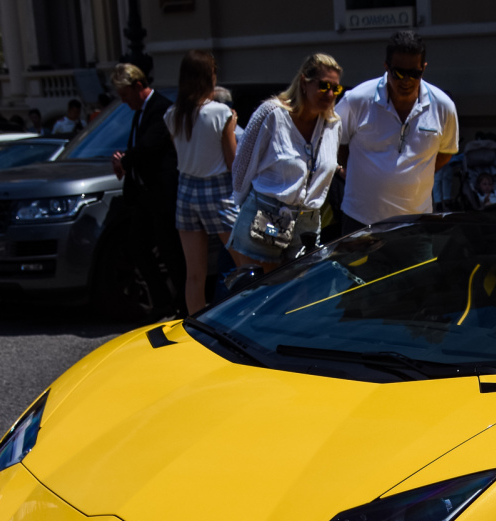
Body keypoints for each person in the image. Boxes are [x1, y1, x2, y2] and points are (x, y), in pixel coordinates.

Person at [229, 54, 343, 272]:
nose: (329, 94)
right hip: (270, 216)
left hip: (308, 222)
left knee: (303, 297)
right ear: (304, 83)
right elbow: (242, 166)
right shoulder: (272, 114)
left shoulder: (332, 125)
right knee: (267, 295)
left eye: (335, 89)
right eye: (324, 86)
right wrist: (243, 207)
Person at [336, 31, 458, 233]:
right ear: (386, 67)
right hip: (361, 220)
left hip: (416, 222)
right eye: (398, 73)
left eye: (414, 74)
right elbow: (337, 143)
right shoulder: (357, 100)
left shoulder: (443, 106)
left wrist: (413, 172)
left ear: (423, 69)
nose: (406, 81)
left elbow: (445, 153)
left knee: (421, 267)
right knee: (355, 266)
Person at [165, 49, 242, 314]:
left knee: (194, 273)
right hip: (217, 190)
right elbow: (233, 162)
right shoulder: (221, 113)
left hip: (186, 190)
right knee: (246, 264)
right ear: (209, 76)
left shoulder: (173, 114)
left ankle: (194, 327)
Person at [111, 62, 186, 315]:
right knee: (138, 246)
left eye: (125, 95)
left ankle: (182, 306)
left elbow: (149, 146)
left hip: (163, 195)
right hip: (145, 196)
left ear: (139, 86)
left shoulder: (162, 109)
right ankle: (162, 300)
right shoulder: (139, 113)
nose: (124, 101)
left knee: (171, 252)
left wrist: (125, 160)